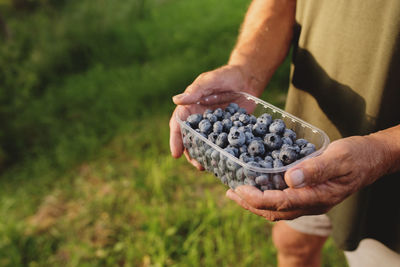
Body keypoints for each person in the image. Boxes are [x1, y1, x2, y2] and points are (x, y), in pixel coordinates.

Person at [169, 0, 400, 266]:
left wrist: (384, 150)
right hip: (307, 149)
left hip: (390, 181)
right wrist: (246, 69)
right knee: (293, 245)